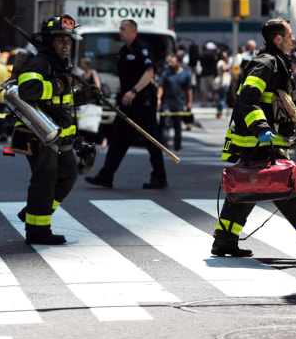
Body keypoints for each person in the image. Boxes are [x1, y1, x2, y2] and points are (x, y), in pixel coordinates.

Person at [212, 17, 296, 259]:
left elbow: (281, 101)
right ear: (278, 38)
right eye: (290, 35)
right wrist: (262, 129)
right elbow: (247, 99)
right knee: (286, 186)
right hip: (261, 141)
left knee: (247, 188)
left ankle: (224, 242)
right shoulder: (267, 63)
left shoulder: (278, 62)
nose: (294, 39)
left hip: (264, 141)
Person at [13, 15, 101, 245]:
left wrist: (84, 96)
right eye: (61, 39)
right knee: (45, 180)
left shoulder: (61, 64)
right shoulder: (41, 62)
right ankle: (37, 232)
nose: (66, 44)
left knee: (69, 175)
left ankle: (34, 212)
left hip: (57, 134)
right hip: (39, 133)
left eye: (69, 40)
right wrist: (59, 84)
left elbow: (62, 100)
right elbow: (27, 90)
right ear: (49, 39)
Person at [86, 19, 168, 189]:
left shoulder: (142, 49)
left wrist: (134, 91)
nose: (120, 32)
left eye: (123, 29)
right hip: (127, 104)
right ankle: (106, 175)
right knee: (118, 139)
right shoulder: (123, 51)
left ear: (133, 31)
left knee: (150, 139)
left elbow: (149, 72)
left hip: (143, 102)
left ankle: (160, 176)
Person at [157, 54, 192, 152]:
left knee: (177, 125)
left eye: (172, 62)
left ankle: (178, 145)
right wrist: (158, 98)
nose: (170, 64)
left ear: (178, 63)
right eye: (169, 62)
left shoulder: (186, 74)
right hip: (167, 103)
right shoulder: (166, 73)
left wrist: (189, 102)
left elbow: (189, 89)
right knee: (165, 124)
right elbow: (161, 86)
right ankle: (164, 145)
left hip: (179, 103)